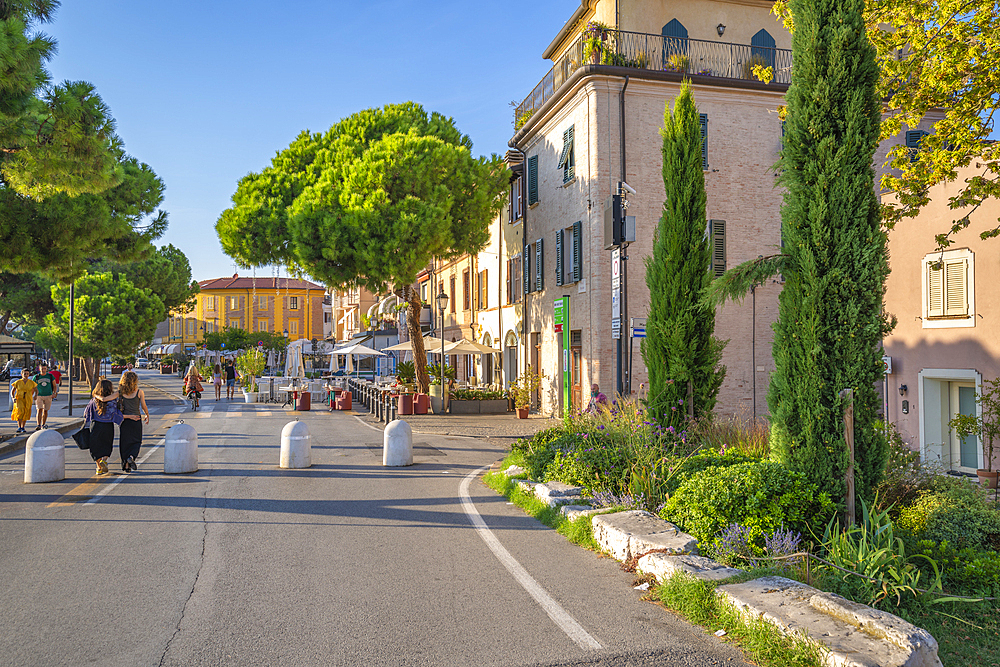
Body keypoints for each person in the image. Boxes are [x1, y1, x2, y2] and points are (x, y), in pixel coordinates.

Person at [84, 379, 124, 475]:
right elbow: (115, 412)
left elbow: (86, 412)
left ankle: (98, 467)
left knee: (95, 446)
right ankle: (104, 460)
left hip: (96, 425)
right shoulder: (113, 401)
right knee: (107, 444)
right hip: (108, 426)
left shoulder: (94, 400)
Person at [114, 371, 148, 472]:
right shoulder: (139, 392)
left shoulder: (120, 393)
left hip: (124, 421)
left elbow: (106, 399)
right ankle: (132, 457)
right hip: (136, 420)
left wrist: (97, 396)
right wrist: (147, 414)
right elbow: (143, 406)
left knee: (124, 443)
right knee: (136, 441)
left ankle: (126, 465)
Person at [31, 362, 58, 430]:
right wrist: (33, 395)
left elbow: (54, 385)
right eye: (42, 369)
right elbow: (33, 387)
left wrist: (54, 393)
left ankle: (43, 424)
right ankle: (38, 424)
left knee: (45, 410)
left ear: (46, 369)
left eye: (45, 368)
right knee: (39, 410)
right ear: (39, 369)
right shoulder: (36, 377)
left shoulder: (50, 376)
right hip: (39, 395)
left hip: (48, 395)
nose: (43, 370)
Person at [10, 368, 36, 434]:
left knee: (26, 412)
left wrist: (34, 396)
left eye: (27, 374)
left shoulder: (31, 382)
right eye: (24, 374)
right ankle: (19, 427)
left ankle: (23, 427)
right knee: (19, 411)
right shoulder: (18, 382)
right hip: (19, 399)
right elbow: (12, 391)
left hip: (28, 399)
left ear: (29, 374)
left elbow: (35, 390)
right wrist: (13, 398)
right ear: (22, 374)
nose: (26, 375)